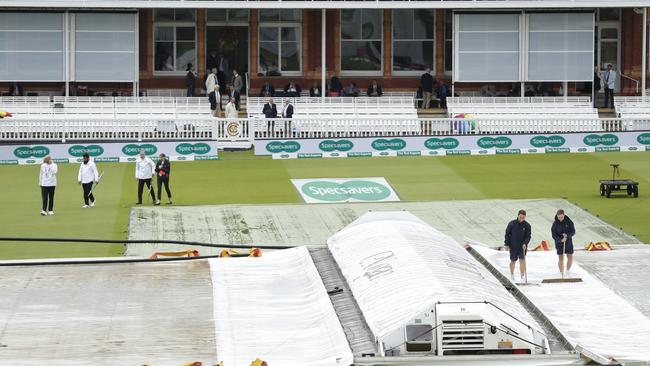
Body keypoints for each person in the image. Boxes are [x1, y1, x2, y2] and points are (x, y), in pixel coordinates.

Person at [504, 210, 532, 282]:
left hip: (522, 247)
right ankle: (512, 275)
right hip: (513, 246)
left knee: (522, 260)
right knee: (513, 260)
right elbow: (507, 234)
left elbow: (528, 236)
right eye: (520, 217)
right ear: (518, 215)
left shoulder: (527, 225)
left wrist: (525, 243)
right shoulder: (511, 224)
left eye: (523, 218)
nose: (521, 219)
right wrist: (506, 244)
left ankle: (522, 276)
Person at [551, 209, 576, 278]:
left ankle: (567, 270)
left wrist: (567, 235)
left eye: (561, 217)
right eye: (559, 217)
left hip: (568, 242)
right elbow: (553, 234)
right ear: (557, 216)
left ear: (564, 215)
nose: (560, 219)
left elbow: (573, 231)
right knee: (561, 258)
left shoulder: (569, 222)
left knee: (570, 257)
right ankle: (561, 272)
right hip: (559, 243)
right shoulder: (555, 224)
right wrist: (560, 240)